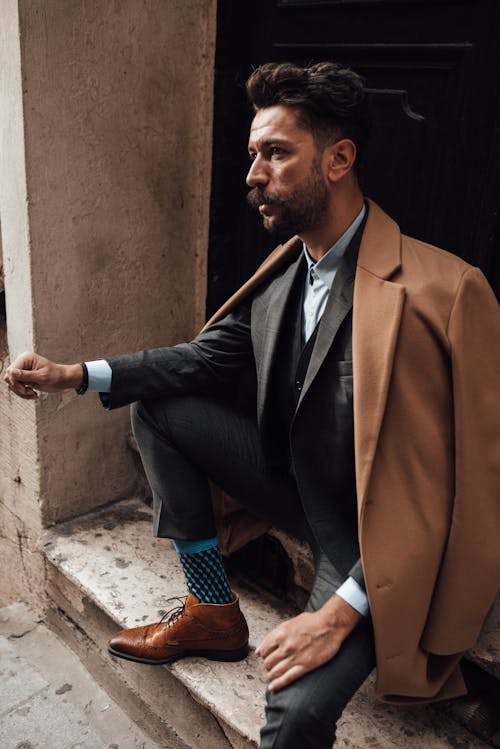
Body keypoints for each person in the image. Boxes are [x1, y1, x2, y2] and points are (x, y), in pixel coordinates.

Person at [4, 62, 499, 749]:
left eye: (275, 152)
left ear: (338, 159)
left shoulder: (445, 292)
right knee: (157, 406)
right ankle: (212, 604)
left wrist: (342, 610)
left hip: (372, 544)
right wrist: (73, 375)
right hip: (298, 491)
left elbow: (455, 484)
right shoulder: (283, 272)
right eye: (250, 155)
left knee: (294, 713)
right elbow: (198, 360)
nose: (252, 173)